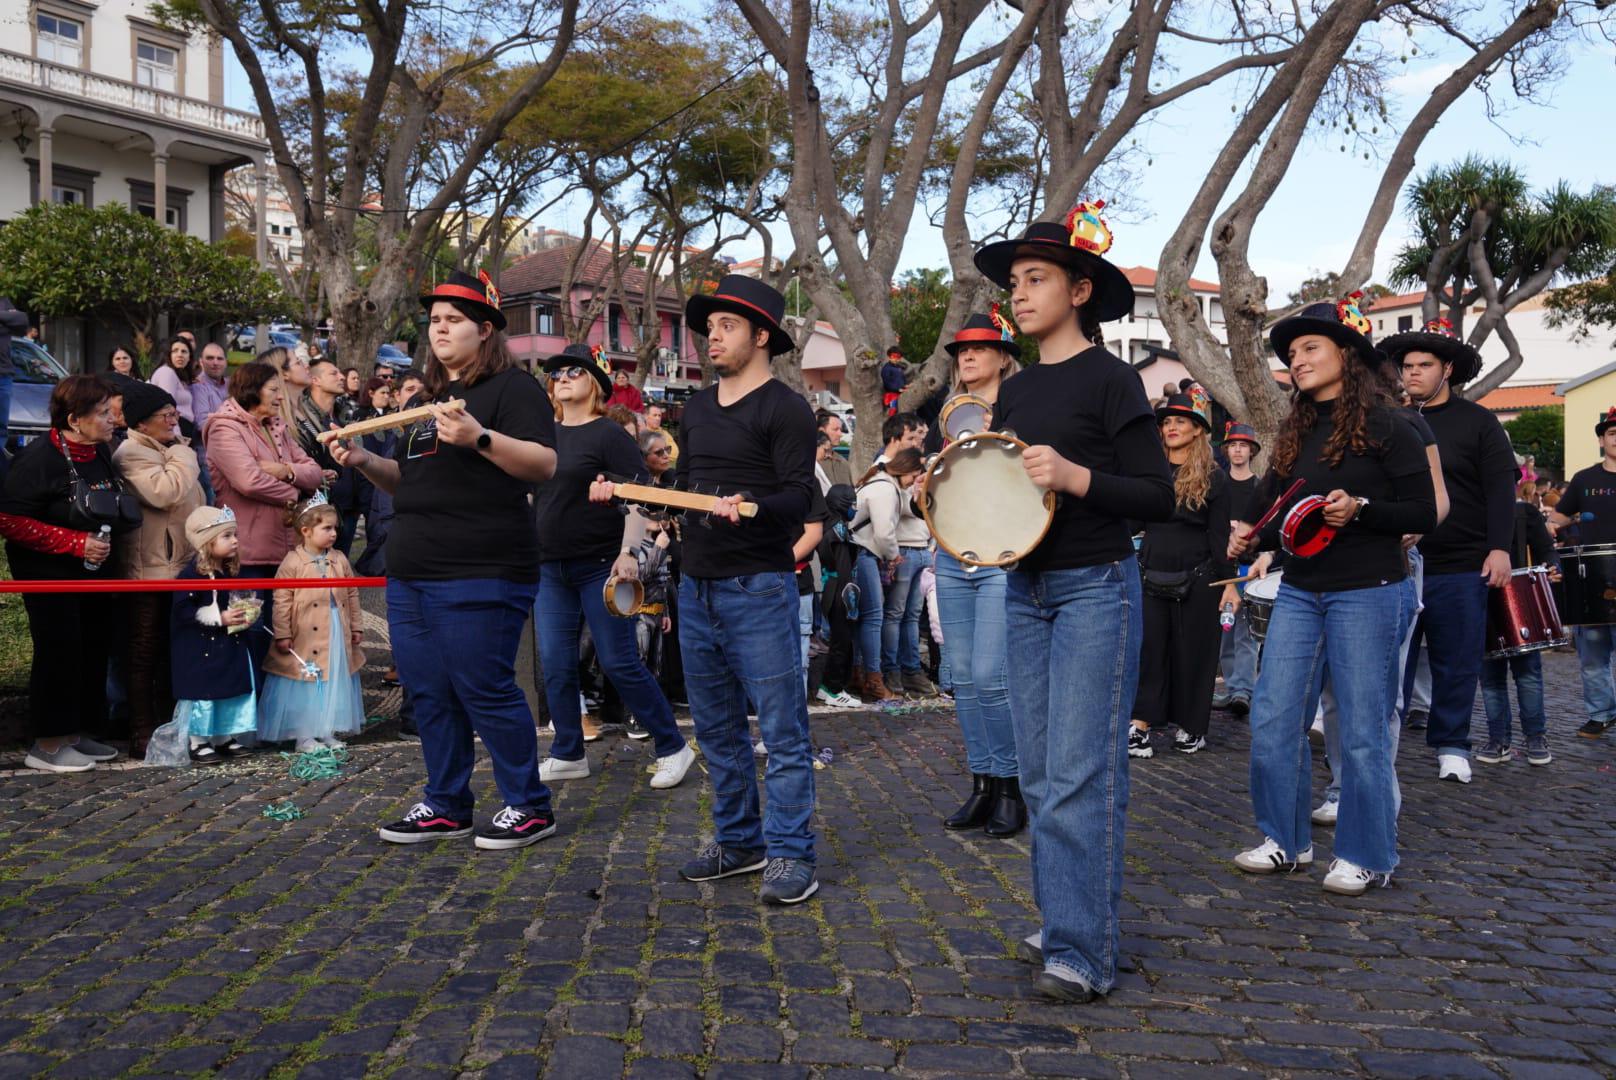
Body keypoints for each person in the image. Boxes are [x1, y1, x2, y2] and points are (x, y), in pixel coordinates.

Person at [972, 205, 1174, 1001]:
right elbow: (999, 495)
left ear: (1079, 289)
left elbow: (1157, 495)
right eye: (1014, 282)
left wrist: (1077, 476)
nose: (1018, 295)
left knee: (1081, 774)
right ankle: (1072, 918)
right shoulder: (1016, 393)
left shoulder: (1113, 378)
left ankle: (1080, 952)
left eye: (1035, 279)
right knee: (1044, 772)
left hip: (1096, 588)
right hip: (1024, 588)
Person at [593, 274, 819, 904]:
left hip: (761, 587)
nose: (711, 338)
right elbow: (683, 491)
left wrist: (750, 506)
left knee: (781, 731)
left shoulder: (786, 408)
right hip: (697, 588)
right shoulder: (694, 410)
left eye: (726, 326)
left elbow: (803, 498)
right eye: (709, 327)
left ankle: (792, 853)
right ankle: (740, 842)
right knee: (716, 729)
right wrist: (632, 497)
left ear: (762, 335)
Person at [331, 268, 561, 850]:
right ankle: (446, 802)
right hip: (413, 572)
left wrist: (480, 437)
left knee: (484, 686)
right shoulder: (428, 401)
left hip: (483, 567)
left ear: (485, 330)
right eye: (434, 320)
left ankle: (529, 805)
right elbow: (405, 480)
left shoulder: (515, 390)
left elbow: (543, 465)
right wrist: (361, 461)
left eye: (453, 320)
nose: (439, 329)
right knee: (429, 690)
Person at [1228, 294, 1435, 898]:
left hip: (1370, 591)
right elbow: (1272, 504)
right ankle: (1286, 842)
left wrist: (1363, 509)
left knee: (1364, 730)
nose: (1297, 360)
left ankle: (1369, 855)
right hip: (1301, 590)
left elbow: (1424, 511)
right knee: (1272, 718)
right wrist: (1251, 535)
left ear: (1347, 354)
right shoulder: (1294, 430)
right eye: (1291, 353)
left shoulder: (1391, 424)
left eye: (1309, 347)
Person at [532, 342, 694, 789]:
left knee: (619, 661)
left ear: (596, 385)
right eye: (558, 372)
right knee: (556, 663)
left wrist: (627, 553)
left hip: (599, 565)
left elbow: (641, 499)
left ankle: (673, 746)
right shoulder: (543, 434)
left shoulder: (608, 435)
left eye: (574, 372)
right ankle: (568, 751)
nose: (562, 377)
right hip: (549, 566)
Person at [1387, 319, 1515, 784]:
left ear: (1448, 370)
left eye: (1424, 365)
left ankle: (1452, 745)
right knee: (1388, 663)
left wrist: (1499, 548)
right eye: (1407, 366)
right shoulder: (1391, 420)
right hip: (1394, 566)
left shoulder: (1479, 423)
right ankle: (1381, 745)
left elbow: (1502, 491)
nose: (1413, 373)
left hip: (1461, 563)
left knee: (1456, 660)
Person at [0, 375, 134, 772]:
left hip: (96, 570)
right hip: (50, 573)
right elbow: (9, 519)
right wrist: (73, 543)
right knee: (59, 650)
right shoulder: (39, 459)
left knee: (93, 646)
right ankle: (48, 741)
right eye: (103, 413)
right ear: (75, 420)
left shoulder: (101, 450)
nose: (113, 419)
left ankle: (77, 732)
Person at [933, 312, 1022, 835]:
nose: (966, 356)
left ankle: (1012, 788)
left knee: (992, 677)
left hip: (1002, 557)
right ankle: (983, 785)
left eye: (979, 348)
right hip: (951, 553)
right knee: (963, 680)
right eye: (960, 350)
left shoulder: (1022, 407)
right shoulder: (945, 415)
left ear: (1003, 355)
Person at [1131, 392, 1235, 758]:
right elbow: (1132, 519)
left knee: (1195, 654)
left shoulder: (1214, 478)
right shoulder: (1151, 471)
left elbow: (1220, 536)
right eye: (1166, 421)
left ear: (1197, 429)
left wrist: (1230, 585)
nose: (1171, 427)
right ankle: (1140, 726)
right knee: (1149, 651)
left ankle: (1192, 728)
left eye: (1179, 421)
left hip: (1201, 577)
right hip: (1149, 573)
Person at [113, 382, 205, 753]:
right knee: (144, 650)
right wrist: (184, 454)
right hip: (149, 570)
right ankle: (141, 729)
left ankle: (173, 723)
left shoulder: (165, 449)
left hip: (178, 565)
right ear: (143, 423)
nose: (174, 421)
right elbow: (165, 492)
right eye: (166, 416)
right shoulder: (131, 453)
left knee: (174, 648)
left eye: (174, 413)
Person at [258, 496, 366, 752]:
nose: (333, 533)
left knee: (332, 681)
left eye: (335, 528)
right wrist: (283, 633)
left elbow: (352, 593)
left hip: (334, 630)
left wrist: (356, 626)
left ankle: (325, 729)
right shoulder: (293, 562)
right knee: (307, 683)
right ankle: (304, 735)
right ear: (306, 531)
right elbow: (281, 599)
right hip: (305, 635)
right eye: (326, 528)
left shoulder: (339, 558)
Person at [203, 362, 323, 582]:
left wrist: (286, 471)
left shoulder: (275, 426)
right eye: (274, 390)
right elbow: (249, 481)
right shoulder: (225, 428)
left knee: (281, 616)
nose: (280, 398)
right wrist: (295, 494)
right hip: (247, 553)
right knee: (251, 615)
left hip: (285, 548)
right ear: (251, 389)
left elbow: (315, 472)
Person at [1474, 479, 1559, 766]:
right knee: (1490, 678)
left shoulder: (1523, 513)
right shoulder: (1470, 512)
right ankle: (1499, 739)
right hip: (1482, 599)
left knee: (1528, 674)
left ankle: (1536, 736)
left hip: (1520, 601)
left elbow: (1546, 549)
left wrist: (1552, 566)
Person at [168, 505, 261, 764]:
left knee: (230, 689)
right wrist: (219, 618)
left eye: (235, 535)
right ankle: (198, 739)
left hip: (229, 644)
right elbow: (183, 611)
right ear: (207, 542)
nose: (234, 541)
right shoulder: (190, 575)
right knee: (204, 693)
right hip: (201, 649)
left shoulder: (231, 571)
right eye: (226, 536)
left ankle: (224, 735)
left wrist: (246, 613)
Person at [1547, 406, 1616, 740]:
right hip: (1591, 578)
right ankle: (1601, 713)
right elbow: (1560, 516)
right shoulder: (1584, 479)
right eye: (1612, 434)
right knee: (1592, 654)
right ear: (1602, 440)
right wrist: (1546, 525)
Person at [849, 449, 924, 703]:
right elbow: (883, 532)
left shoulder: (878, 482)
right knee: (873, 616)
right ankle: (874, 681)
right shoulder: (885, 489)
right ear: (904, 470)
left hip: (858, 552)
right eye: (915, 475)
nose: (915, 481)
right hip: (863, 552)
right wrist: (893, 555)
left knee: (863, 617)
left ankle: (860, 674)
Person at [1213, 422, 1261, 714]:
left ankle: (1243, 689)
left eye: (1243, 445)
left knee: (1247, 632)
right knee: (1225, 630)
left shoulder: (1260, 486)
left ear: (1251, 451)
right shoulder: (1219, 484)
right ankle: (1232, 687)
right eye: (1234, 445)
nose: (1239, 450)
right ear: (1227, 450)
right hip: (1222, 568)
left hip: (1249, 566)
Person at [148, 336, 199, 434]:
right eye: (175, 351)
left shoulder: (179, 376)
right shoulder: (167, 372)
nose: (180, 355)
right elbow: (167, 408)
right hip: (176, 432)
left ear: (189, 357)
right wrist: (177, 439)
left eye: (184, 351)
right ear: (168, 355)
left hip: (184, 430)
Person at [0, 297, 29, 463]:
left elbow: (21, 321)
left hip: (3, 375)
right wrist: (5, 317)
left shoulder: (3, 301)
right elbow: (13, 319)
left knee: (1, 427)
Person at [815, 411, 854, 488]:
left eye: (840, 429)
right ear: (821, 431)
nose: (840, 434)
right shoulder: (811, 464)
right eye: (835, 429)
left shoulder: (843, 462)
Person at [881, 346, 907, 416]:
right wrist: (898, 389)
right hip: (892, 394)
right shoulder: (886, 368)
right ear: (889, 356)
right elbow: (887, 383)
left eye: (898, 357)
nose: (896, 359)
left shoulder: (899, 368)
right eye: (894, 356)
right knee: (893, 409)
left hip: (902, 392)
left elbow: (903, 379)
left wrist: (905, 386)